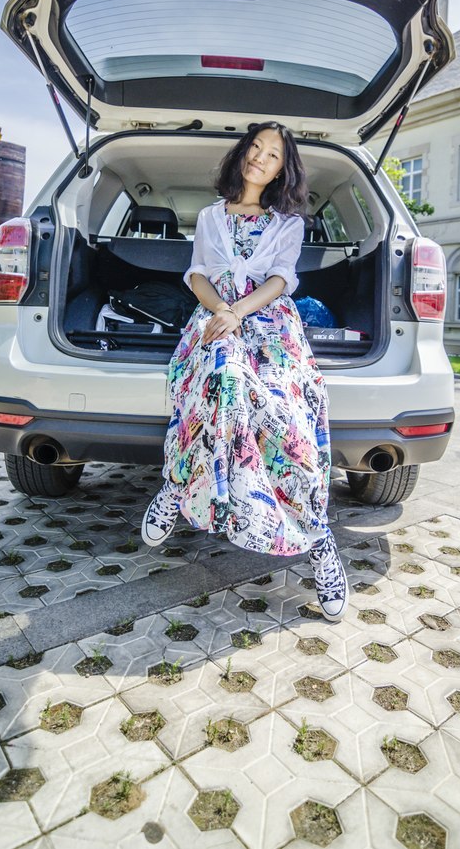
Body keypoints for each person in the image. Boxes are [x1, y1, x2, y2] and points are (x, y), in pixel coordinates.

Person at [141, 121, 348, 621]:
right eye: (255, 147)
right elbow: (197, 274)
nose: (260, 157)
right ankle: (177, 483)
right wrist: (222, 312)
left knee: (287, 419)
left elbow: (280, 279)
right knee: (224, 382)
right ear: (241, 154)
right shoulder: (210, 216)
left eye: (273, 154)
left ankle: (320, 542)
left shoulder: (288, 224)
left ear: (281, 170)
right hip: (215, 319)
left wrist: (239, 311)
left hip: (269, 325)